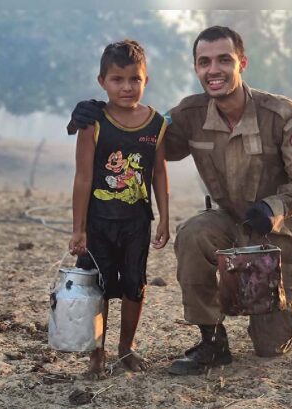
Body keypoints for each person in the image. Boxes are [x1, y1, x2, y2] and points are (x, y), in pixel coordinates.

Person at [70, 26, 292, 375]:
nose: (214, 70)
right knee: (192, 233)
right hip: (228, 222)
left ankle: (282, 313)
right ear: (196, 68)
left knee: (269, 346)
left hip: (275, 235)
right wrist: (98, 113)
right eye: (204, 62)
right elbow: (145, 139)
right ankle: (212, 340)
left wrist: (274, 208)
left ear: (242, 63)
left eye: (224, 59)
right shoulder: (189, 114)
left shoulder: (280, 115)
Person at [69, 39, 170, 377]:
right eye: (117, 80)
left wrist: (164, 218)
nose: (127, 87)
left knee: (134, 285)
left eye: (134, 79)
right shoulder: (93, 122)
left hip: (136, 222)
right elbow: (83, 178)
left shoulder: (156, 123)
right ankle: (96, 355)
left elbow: (158, 173)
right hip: (98, 222)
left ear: (146, 79)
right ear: (103, 82)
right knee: (96, 289)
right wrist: (78, 228)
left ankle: (125, 348)